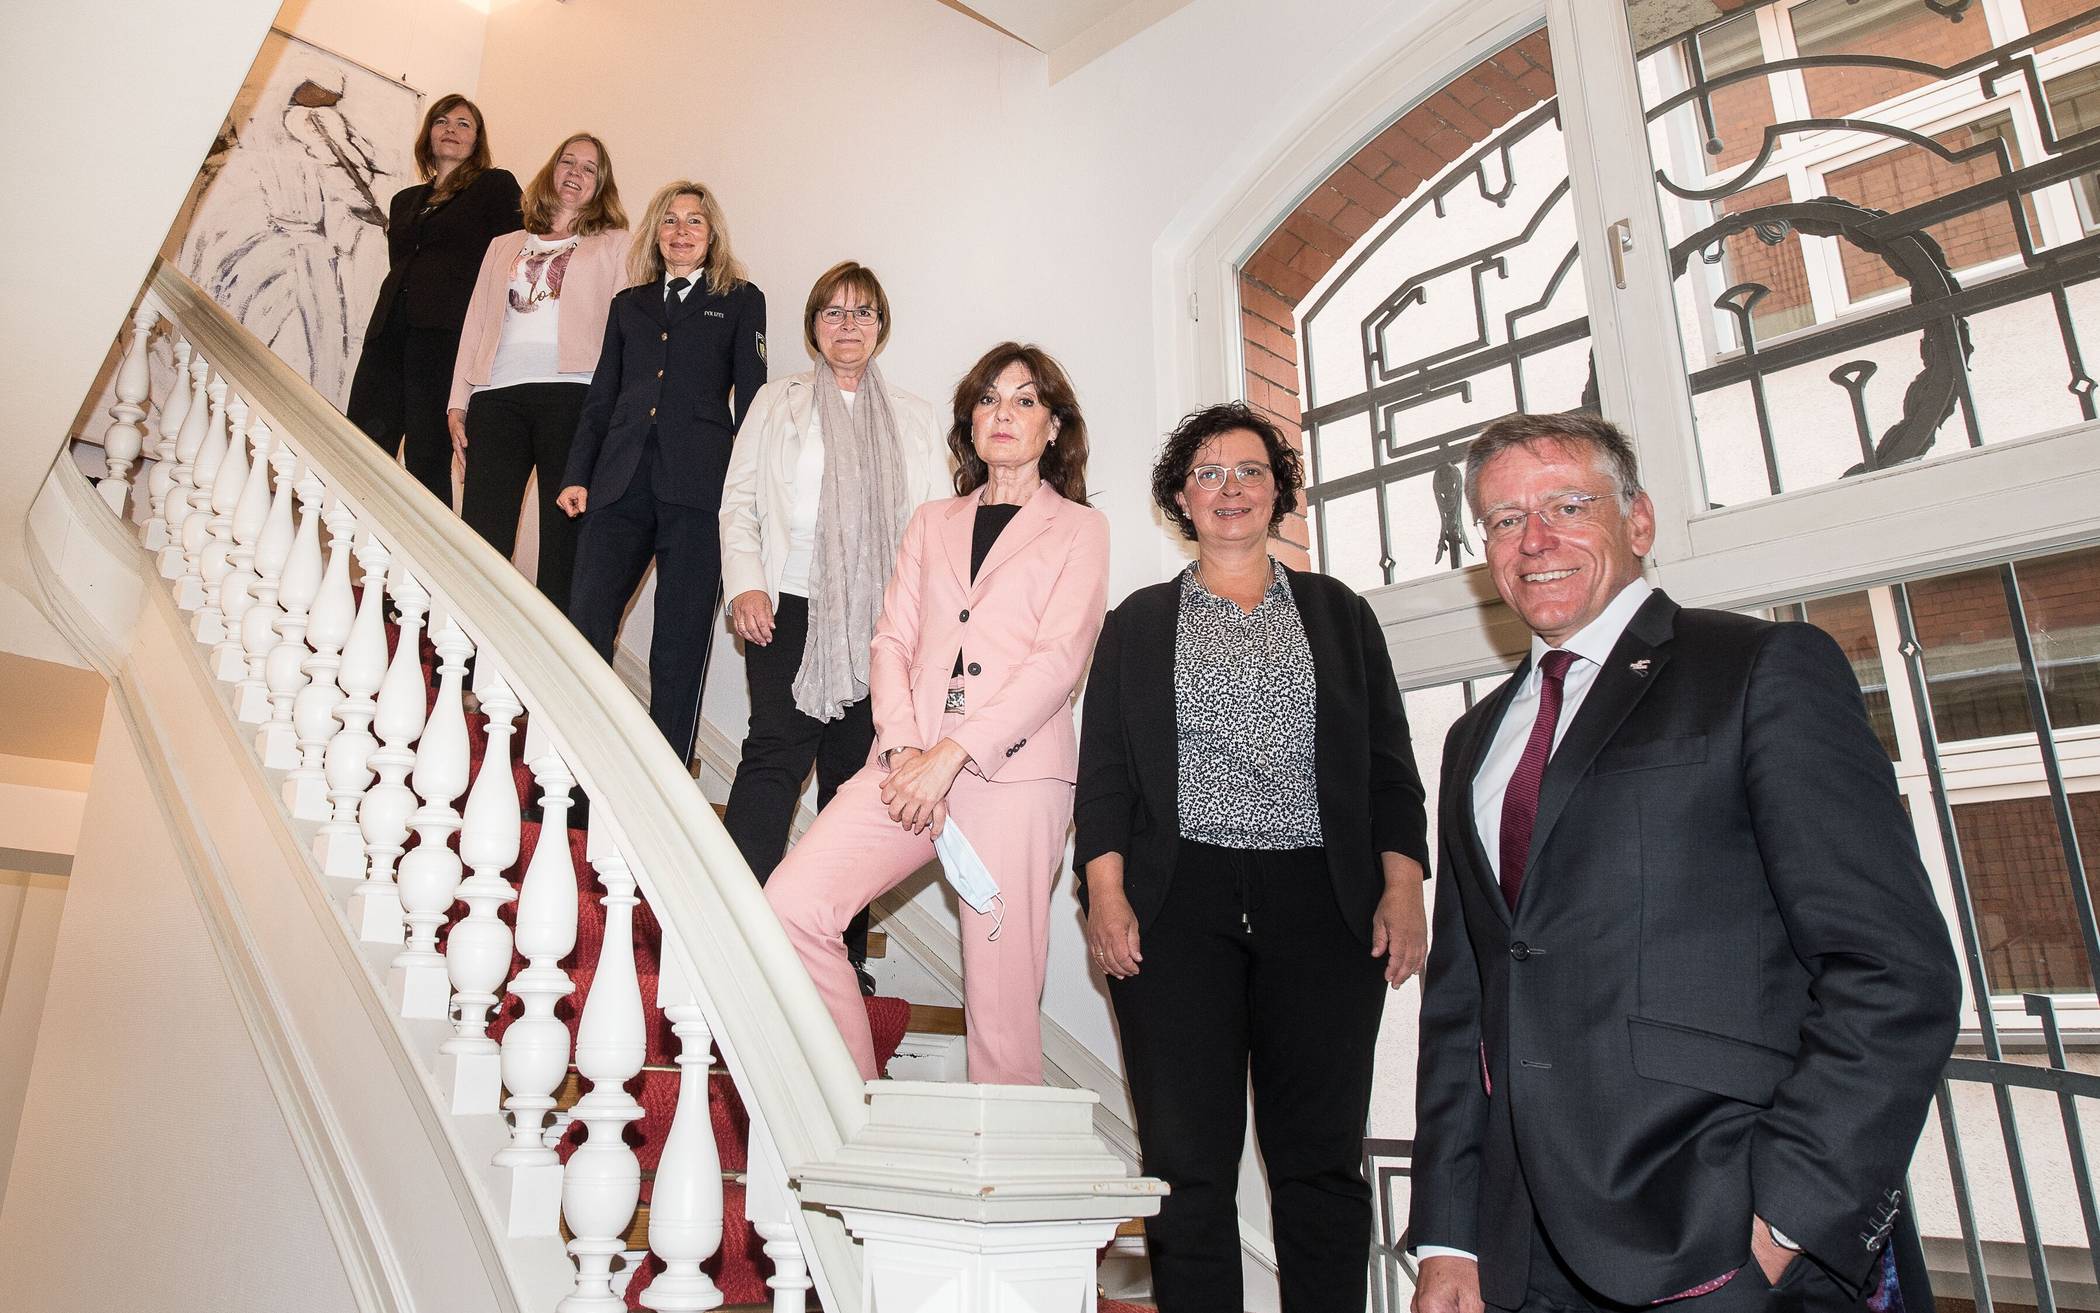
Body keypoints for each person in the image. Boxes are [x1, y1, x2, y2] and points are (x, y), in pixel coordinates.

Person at [1409, 411, 1961, 1313]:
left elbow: (1894, 972)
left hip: (1719, 1242)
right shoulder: (1474, 740)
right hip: (1520, 1263)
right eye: (1505, 520)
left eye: (1566, 504)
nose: (1534, 539)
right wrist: (1448, 1232)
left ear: (1639, 522)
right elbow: (1462, 1009)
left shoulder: (1761, 669)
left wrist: (1785, 1223)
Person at [1073, 400, 1430, 1313]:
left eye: (1249, 472)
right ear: (1180, 499)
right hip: (1176, 903)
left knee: (1320, 1160)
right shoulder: (1139, 622)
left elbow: (1391, 767)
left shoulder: (1340, 613)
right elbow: (1105, 772)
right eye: (1208, 473)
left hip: (1323, 901)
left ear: (1278, 493)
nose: (1229, 489)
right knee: (1186, 1165)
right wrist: (1104, 894)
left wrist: (1404, 886)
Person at [765, 343, 1108, 1085]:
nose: (1003, 413)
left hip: (1013, 778)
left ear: (1054, 426)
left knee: (1001, 1006)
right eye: (987, 399)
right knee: (792, 904)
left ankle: (1007, 1190)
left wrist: (952, 757)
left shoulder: (1080, 529)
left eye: (1023, 399)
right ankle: (856, 1111)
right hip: (906, 765)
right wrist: (902, 750)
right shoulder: (931, 521)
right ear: (969, 423)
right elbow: (891, 639)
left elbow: (1057, 662)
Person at [719, 262, 951, 994]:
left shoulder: (914, 417)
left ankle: (838, 956)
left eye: (863, 312)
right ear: (813, 325)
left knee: (859, 780)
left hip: (884, 620)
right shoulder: (777, 400)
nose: (848, 324)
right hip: (787, 602)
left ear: (880, 327)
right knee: (774, 755)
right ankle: (732, 927)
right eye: (833, 312)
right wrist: (746, 583)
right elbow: (742, 500)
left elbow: (936, 530)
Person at [558, 181, 766, 762]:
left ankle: (666, 776)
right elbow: (603, 395)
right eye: (670, 220)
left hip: (700, 490)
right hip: (618, 483)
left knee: (679, 643)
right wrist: (579, 474)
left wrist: (749, 499)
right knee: (585, 622)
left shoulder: (742, 300)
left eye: (695, 221)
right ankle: (577, 761)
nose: (681, 231)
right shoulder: (630, 305)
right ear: (655, 233)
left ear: (712, 234)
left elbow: (753, 405)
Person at [445, 132, 628, 612]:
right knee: (482, 535)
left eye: (590, 168)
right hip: (497, 395)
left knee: (564, 543)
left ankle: (545, 674)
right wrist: (459, 400)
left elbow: (627, 330)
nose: (576, 173)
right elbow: (477, 322)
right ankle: (468, 671)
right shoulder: (504, 244)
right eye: (568, 161)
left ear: (600, 185)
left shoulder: (614, 245)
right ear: (551, 170)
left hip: (573, 398)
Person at [347, 93, 522, 505]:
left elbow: (511, 258)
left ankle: (422, 560)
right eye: (442, 121)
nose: (451, 130)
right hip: (389, 328)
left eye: (464, 124)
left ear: (477, 140)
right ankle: (355, 535)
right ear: (428, 134)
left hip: (445, 335)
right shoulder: (405, 200)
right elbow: (403, 262)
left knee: (428, 452)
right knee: (363, 440)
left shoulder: (494, 186)